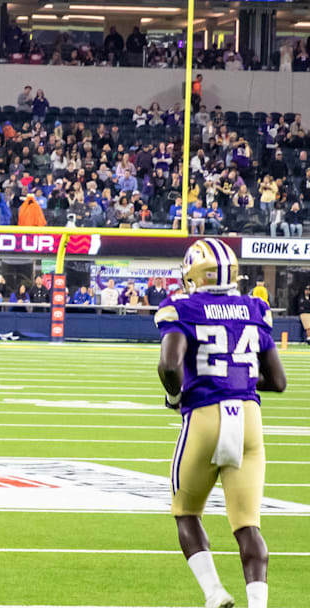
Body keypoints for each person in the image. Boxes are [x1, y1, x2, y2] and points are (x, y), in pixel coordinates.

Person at [155, 238, 285, 608]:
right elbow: (277, 381)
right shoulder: (255, 307)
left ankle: (214, 592)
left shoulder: (182, 305)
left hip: (205, 416)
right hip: (248, 418)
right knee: (248, 524)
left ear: (195, 273)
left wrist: (175, 397)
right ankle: (257, 604)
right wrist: (237, 380)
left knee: (185, 512)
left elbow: (169, 366)